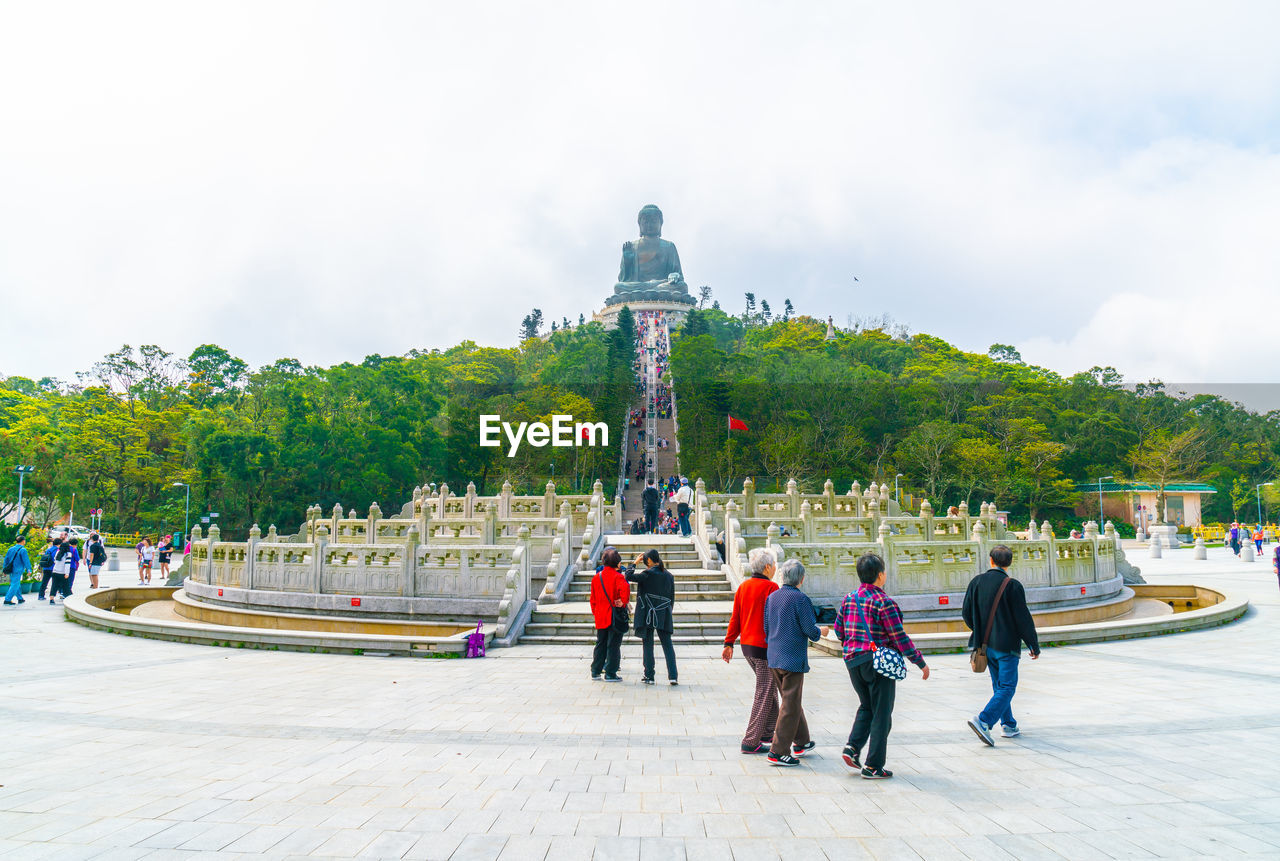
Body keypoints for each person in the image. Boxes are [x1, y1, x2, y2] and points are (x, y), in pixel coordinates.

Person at [834, 552, 930, 779]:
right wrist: (920, 662)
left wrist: (854, 644)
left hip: (852, 661)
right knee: (882, 714)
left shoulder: (849, 599)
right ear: (880, 575)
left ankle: (853, 747)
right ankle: (873, 765)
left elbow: (839, 631)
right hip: (877, 664)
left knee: (867, 706)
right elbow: (899, 638)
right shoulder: (884, 602)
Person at [963, 544, 1041, 746]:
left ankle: (1008, 724)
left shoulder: (976, 582)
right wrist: (1033, 643)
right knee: (1007, 687)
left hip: (986, 645)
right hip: (1007, 646)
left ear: (991, 560)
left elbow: (966, 613)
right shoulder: (1012, 585)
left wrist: (979, 630)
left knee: (1000, 686)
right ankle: (984, 720)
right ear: (1010, 562)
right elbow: (1023, 618)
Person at [762, 559, 829, 766]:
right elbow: (810, 630)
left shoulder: (772, 598)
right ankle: (778, 750)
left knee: (791, 701)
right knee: (790, 706)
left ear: (782, 576)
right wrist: (822, 631)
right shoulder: (801, 599)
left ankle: (802, 741)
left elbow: (766, 627)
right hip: (792, 659)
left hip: (774, 656)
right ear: (801, 579)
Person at [722, 548, 781, 754]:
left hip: (747, 647)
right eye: (774, 565)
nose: (775, 568)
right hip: (764, 648)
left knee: (770, 689)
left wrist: (729, 643)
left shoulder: (744, 586)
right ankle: (750, 739)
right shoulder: (772, 587)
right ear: (767, 567)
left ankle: (767, 731)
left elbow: (735, 617)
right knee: (764, 692)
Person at [625, 549, 677, 685]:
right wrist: (667, 611)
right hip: (663, 612)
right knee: (667, 644)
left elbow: (628, 576)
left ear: (648, 561)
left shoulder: (646, 574)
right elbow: (672, 598)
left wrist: (634, 563)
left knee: (648, 644)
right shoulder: (669, 576)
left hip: (647, 613)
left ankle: (649, 675)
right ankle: (673, 676)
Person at [590, 547, 630, 682]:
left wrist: (596, 612)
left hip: (601, 615)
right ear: (617, 563)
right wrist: (622, 602)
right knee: (613, 644)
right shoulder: (618, 576)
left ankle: (595, 671)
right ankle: (610, 672)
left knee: (600, 643)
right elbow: (625, 591)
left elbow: (593, 599)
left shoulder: (596, 577)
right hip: (614, 616)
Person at [3, 535, 33, 605]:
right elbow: (26, 561)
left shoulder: (11, 549)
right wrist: (29, 569)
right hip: (18, 569)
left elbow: (6, 560)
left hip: (11, 569)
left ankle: (20, 598)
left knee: (16, 583)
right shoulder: (23, 550)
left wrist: (4, 570)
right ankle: (7, 599)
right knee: (15, 584)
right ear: (23, 541)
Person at [48, 538, 79, 605]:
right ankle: (69, 598)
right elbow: (67, 565)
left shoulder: (58, 552)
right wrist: (67, 573)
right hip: (63, 572)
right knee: (66, 586)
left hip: (55, 571)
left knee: (54, 585)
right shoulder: (68, 554)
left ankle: (51, 599)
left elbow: (55, 561)